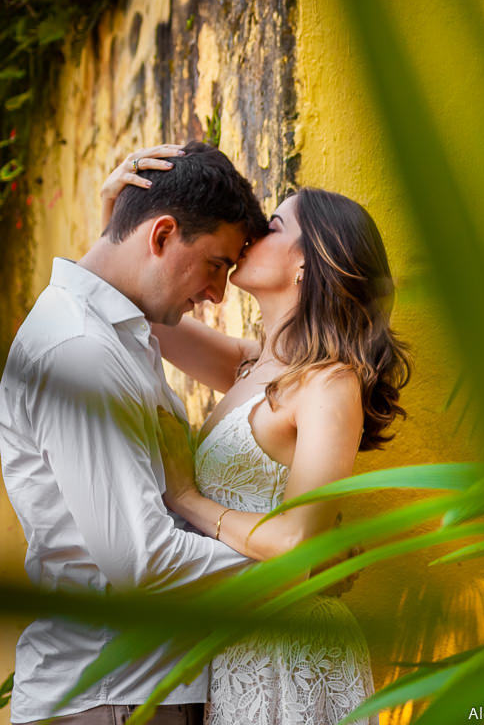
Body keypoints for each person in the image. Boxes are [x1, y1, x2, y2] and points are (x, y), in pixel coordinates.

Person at [98, 153, 411, 725]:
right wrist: (119, 220)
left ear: (307, 266)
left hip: (287, 654)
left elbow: (299, 548)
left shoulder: (329, 384)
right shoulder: (248, 365)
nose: (251, 236)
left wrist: (188, 498)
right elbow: (133, 309)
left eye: (272, 229)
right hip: (230, 643)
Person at [0, 141, 268, 723]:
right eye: (218, 264)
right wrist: (297, 569)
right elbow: (142, 563)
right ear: (163, 235)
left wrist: (111, 222)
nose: (219, 293)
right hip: (116, 696)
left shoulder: (119, 329)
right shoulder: (82, 350)